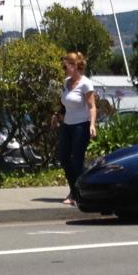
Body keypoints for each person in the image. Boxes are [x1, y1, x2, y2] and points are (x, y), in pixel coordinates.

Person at [52, 52, 97, 205]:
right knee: (64, 158)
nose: (64, 68)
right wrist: (57, 115)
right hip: (67, 125)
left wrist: (92, 125)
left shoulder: (86, 84)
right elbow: (63, 103)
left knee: (77, 160)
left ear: (75, 66)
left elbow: (92, 106)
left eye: (66, 65)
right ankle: (75, 190)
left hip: (81, 125)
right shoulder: (66, 82)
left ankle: (80, 193)